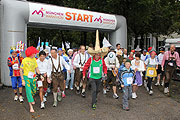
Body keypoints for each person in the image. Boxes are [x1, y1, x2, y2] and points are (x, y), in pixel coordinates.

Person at [83, 30, 108, 110]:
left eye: (99, 54)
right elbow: (85, 67)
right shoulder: (90, 60)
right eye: (96, 54)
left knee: (97, 90)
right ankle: (93, 103)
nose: (98, 55)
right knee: (93, 90)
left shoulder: (101, 60)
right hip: (92, 78)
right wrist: (84, 74)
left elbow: (104, 67)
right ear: (94, 54)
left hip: (99, 77)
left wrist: (105, 72)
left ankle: (95, 98)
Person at [20, 46, 40, 113]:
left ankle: (32, 98)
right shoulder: (24, 60)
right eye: (34, 53)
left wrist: (40, 75)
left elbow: (36, 69)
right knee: (28, 91)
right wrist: (22, 79)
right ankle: (31, 107)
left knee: (34, 90)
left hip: (33, 77)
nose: (35, 54)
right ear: (31, 53)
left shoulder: (34, 59)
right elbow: (21, 70)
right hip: (26, 77)